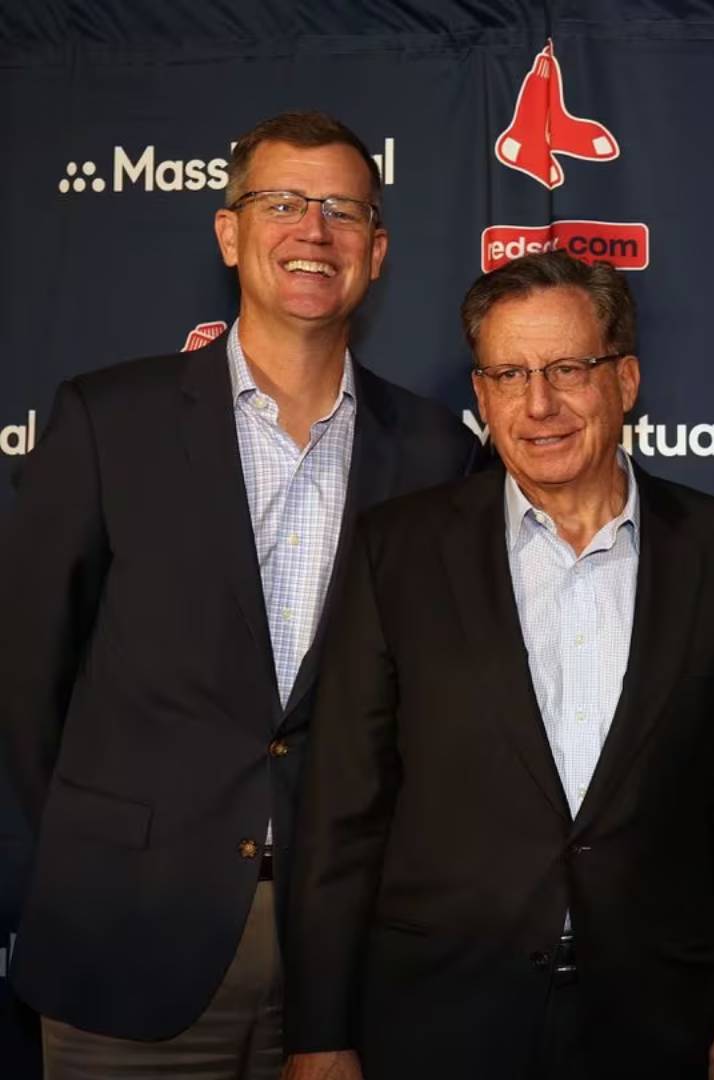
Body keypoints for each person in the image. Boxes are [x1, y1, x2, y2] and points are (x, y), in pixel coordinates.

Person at [0, 110, 472, 1079]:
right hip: (125, 933)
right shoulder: (108, 420)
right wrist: (81, 859)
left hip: (348, 961)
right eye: (283, 203)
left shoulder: (437, 454)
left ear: (376, 252)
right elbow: (23, 675)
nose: (314, 230)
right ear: (228, 231)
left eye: (343, 210)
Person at [283, 251, 714, 1080]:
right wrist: (318, 1031)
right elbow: (342, 805)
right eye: (510, 375)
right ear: (482, 397)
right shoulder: (399, 550)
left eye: (568, 368)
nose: (539, 405)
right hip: (439, 1018)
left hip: (661, 1018)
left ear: (625, 380)